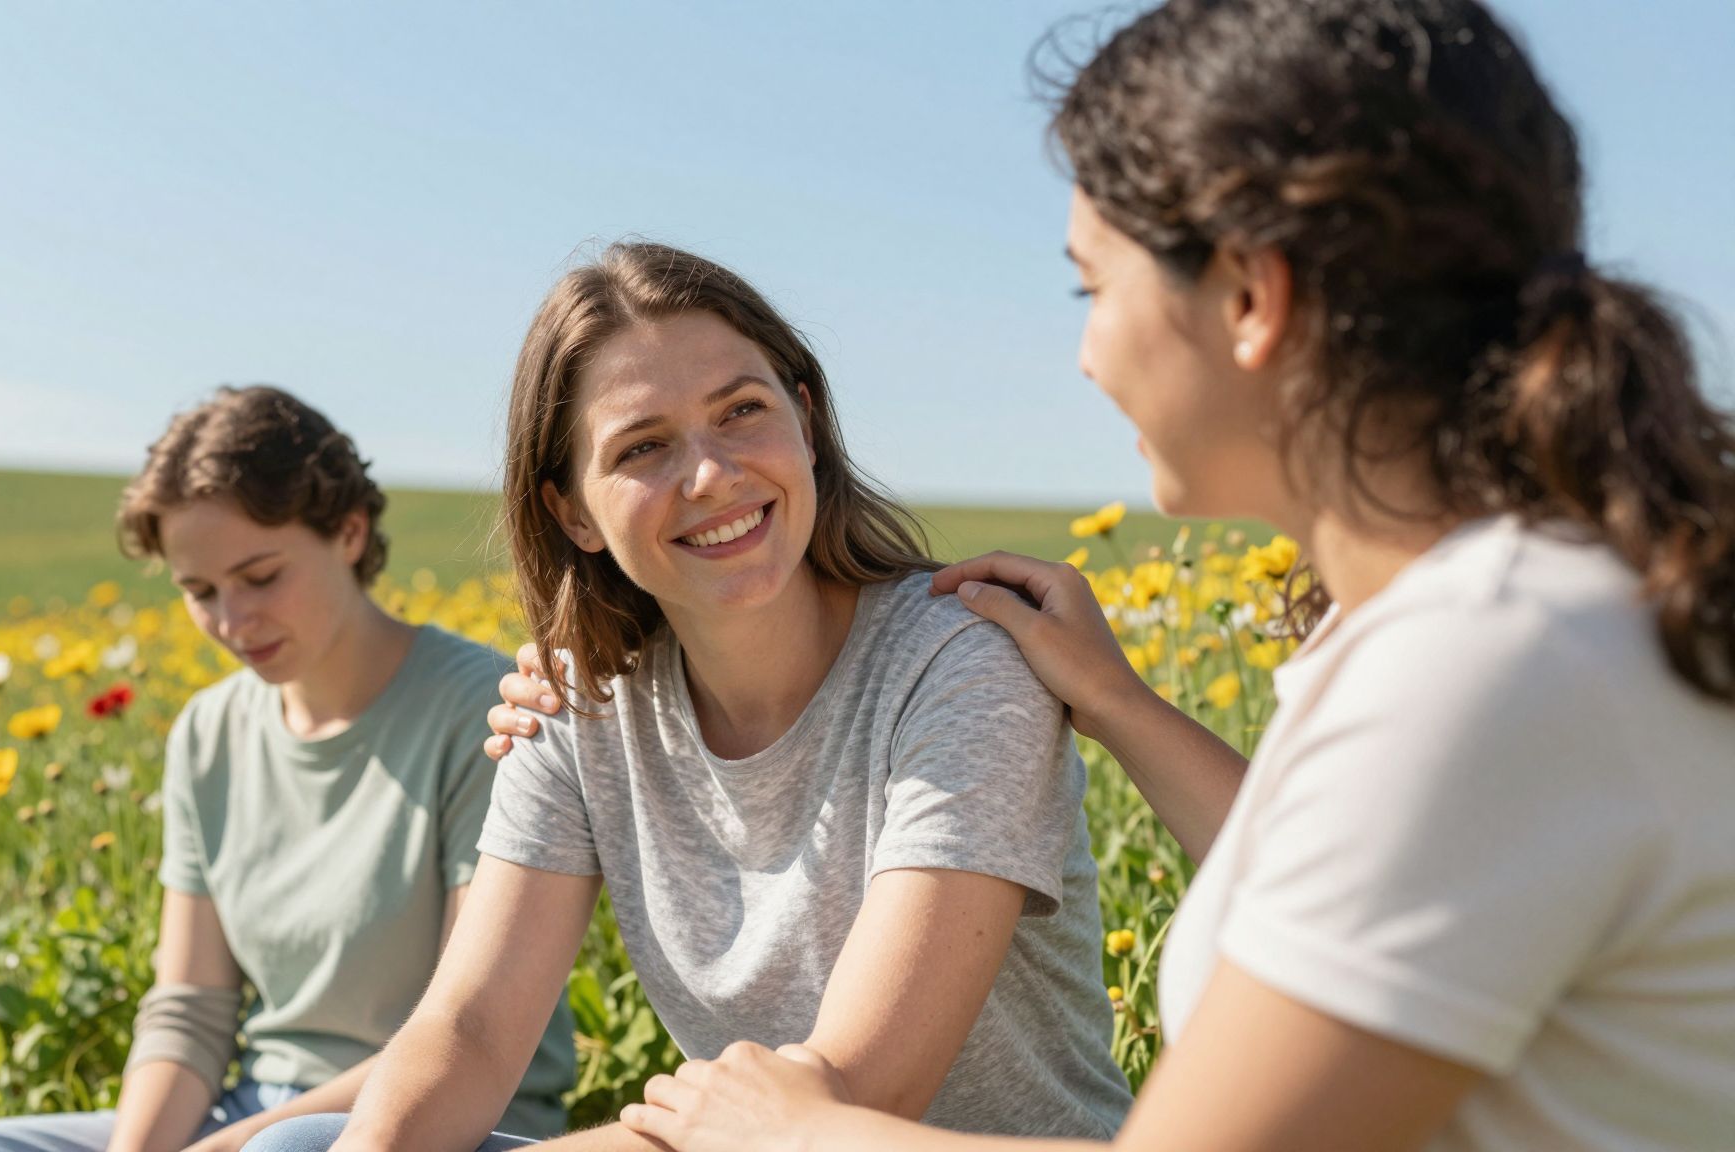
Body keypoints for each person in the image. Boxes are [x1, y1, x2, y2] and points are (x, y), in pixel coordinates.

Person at [487, 3, 1734, 1150]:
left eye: (1092, 287)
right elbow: (1332, 880)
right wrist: (1123, 704)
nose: (1084, 355)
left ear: (1248, 295)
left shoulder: (1490, 660)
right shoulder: (1475, 629)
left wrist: (789, 1129)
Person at [241, 243, 1133, 1152]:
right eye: (643, 447)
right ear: (573, 514)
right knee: (303, 1149)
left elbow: (863, 1092)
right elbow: (468, 1034)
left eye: (742, 411)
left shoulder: (958, 660)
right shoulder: (575, 706)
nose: (710, 475)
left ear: (807, 422)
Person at [0, 385, 576, 1152]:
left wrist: (229, 1148)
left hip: (438, 1122)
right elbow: (190, 1009)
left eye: (260, 577)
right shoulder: (207, 732)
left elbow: (465, 1037)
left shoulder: (486, 713)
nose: (231, 621)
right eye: (199, 591)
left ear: (349, 532)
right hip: (247, 1115)